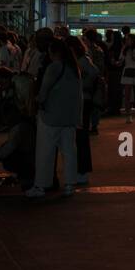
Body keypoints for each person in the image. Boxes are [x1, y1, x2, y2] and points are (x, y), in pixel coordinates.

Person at [26, 37, 81, 198]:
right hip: (69, 118)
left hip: (51, 116)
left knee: (45, 152)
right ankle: (70, 184)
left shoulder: (54, 67)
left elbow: (43, 92)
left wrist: (36, 100)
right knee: (69, 152)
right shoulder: (73, 68)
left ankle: (40, 186)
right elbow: (79, 95)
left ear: (53, 52)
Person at [71, 35, 100, 184]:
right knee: (79, 137)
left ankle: (81, 171)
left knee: (80, 137)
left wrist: (83, 83)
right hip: (84, 100)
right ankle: (80, 171)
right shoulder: (84, 60)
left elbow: (94, 74)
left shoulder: (81, 61)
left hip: (82, 101)